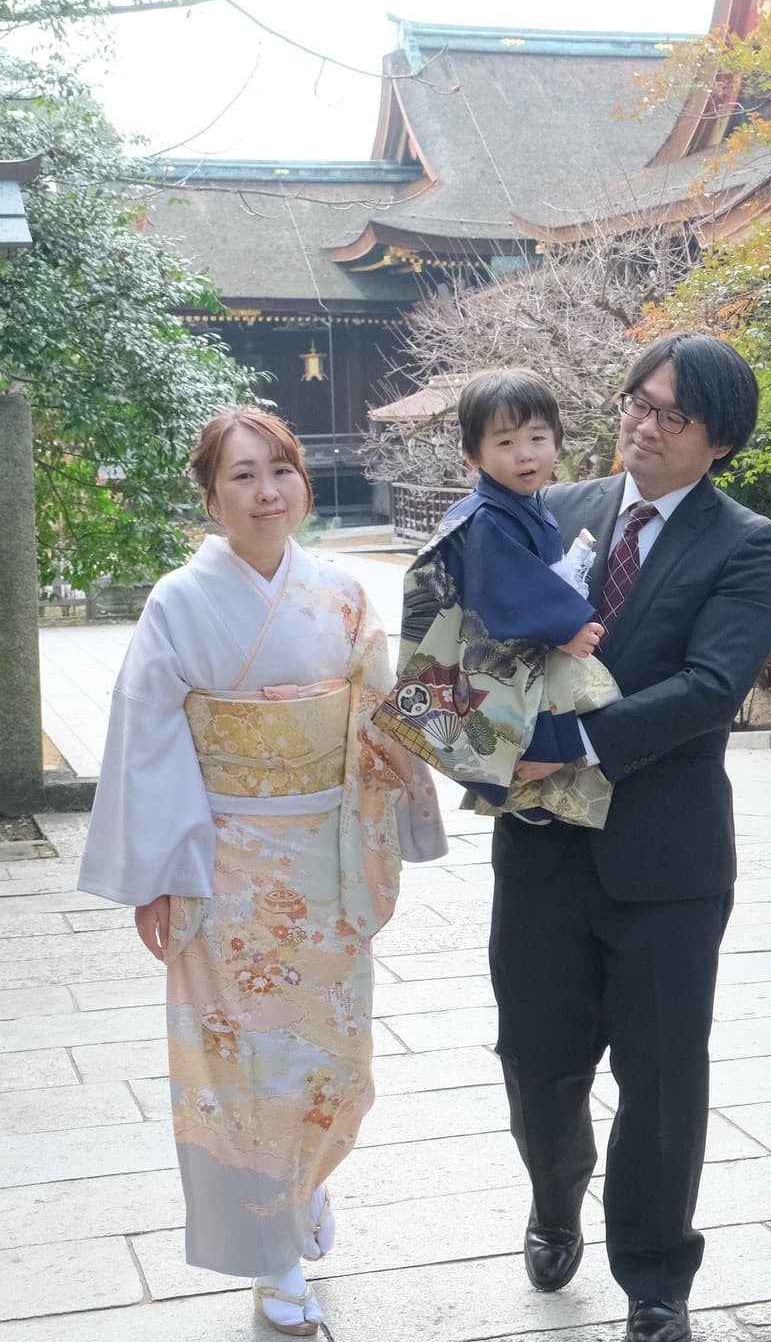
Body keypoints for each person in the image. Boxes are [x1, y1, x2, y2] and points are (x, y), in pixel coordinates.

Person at [78, 407, 447, 1337]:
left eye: (280, 471)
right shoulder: (179, 601)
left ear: (302, 484)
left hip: (326, 861)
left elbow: (381, 715)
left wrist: (486, 729)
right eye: (242, 476)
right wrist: (160, 871)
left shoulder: (344, 593)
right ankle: (273, 1251)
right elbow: (148, 744)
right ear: (210, 496)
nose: (266, 491)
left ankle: (305, 1182)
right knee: (241, 1069)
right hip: (223, 865)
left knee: (333, 1060)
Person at [489, 333, 771, 1342]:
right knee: (535, 1058)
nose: (641, 426)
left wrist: (564, 743)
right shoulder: (551, 512)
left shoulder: (744, 542)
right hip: (538, 850)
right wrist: (447, 722)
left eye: (671, 416)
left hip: (665, 860)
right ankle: (552, 1191)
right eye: (635, 402)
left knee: (661, 1076)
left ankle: (658, 1277)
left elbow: (711, 688)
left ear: (720, 442)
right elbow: (476, 632)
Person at [373, 368, 617, 827]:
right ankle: (529, 779)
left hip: (523, 638)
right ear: (473, 455)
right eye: (505, 443)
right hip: (497, 642)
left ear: (557, 441)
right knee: (538, 699)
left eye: (538, 438)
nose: (525, 455)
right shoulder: (486, 518)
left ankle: (532, 780)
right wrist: (566, 627)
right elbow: (506, 584)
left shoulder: (527, 501)